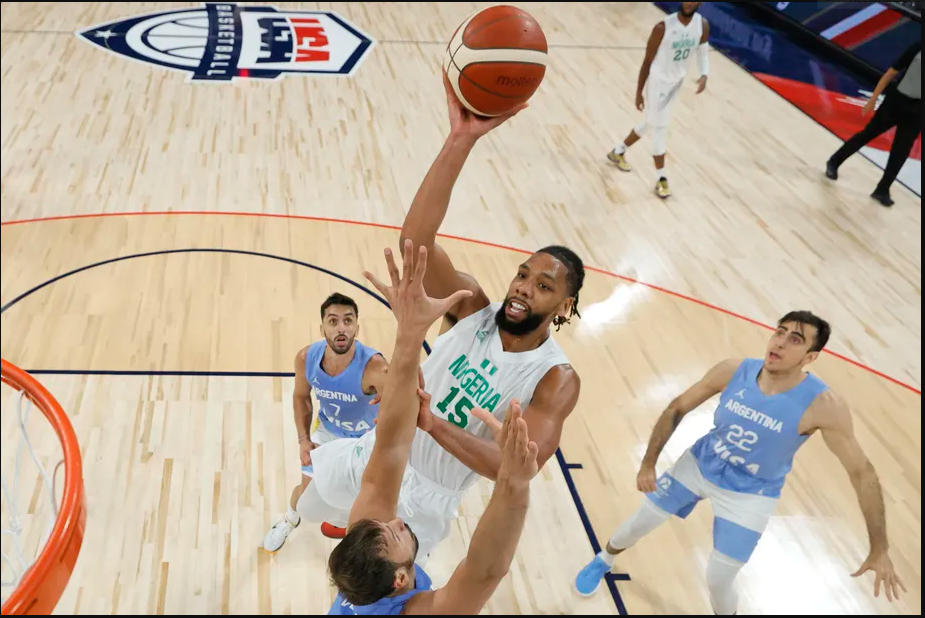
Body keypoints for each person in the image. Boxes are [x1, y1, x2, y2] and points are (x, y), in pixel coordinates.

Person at [301, 73, 585, 566]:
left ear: (564, 306)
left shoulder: (555, 378)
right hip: (375, 450)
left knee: (366, 585)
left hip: (423, 500)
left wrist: (433, 425)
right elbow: (417, 236)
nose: (522, 288)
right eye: (522, 275)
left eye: (543, 286)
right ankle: (296, 517)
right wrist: (462, 139)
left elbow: (511, 469)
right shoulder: (470, 302)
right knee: (307, 501)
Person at [573, 311, 907, 614]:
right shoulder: (734, 370)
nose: (780, 342)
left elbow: (863, 474)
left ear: (810, 357)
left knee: (718, 579)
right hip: (701, 465)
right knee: (638, 523)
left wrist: (879, 548)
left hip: (751, 494)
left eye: (796, 339)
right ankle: (604, 559)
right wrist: (649, 463)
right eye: (780, 331)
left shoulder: (824, 405)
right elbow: (677, 407)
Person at [327, 240, 543, 615]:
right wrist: (514, 483)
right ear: (399, 580)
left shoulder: (369, 559)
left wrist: (410, 332)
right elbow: (484, 573)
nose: (395, 519)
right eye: (395, 532)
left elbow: (391, 443)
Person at [262, 293, 388, 551]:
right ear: (322, 328)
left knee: (365, 502)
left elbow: (397, 412)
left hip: (364, 441)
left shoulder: (375, 367)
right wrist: (303, 440)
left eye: (348, 320)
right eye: (333, 321)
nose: (341, 328)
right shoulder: (306, 358)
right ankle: (289, 518)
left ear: (357, 327)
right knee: (306, 490)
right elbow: (300, 396)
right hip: (328, 433)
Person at [606, 1, 710, 198]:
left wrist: (705, 74)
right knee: (660, 127)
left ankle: (618, 151)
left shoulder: (702, 25)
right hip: (658, 84)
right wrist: (639, 91)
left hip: (676, 84)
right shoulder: (663, 28)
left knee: (650, 122)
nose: (688, 3)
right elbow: (647, 61)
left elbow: (703, 53)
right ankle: (662, 179)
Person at [826, 43, 921, 207]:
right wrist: (873, 99)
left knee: (901, 151)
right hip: (896, 101)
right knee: (868, 134)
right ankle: (834, 161)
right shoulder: (917, 48)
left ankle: (882, 189)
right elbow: (892, 72)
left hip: (918, 110)